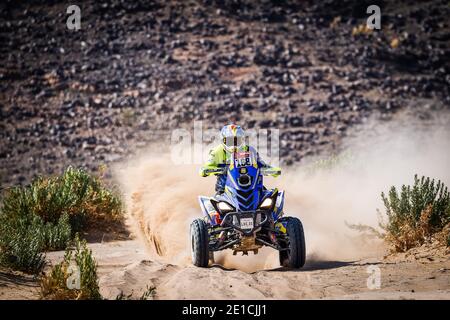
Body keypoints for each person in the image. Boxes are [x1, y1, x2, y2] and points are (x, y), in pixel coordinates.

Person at [199, 124, 280, 194]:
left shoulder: (250, 150)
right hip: (225, 189)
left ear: (242, 140)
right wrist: (210, 170)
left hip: (252, 187)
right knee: (213, 205)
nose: (233, 145)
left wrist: (273, 170)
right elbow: (204, 169)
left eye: (237, 141)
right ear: (223, 140)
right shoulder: (217, 151)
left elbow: (262, 165)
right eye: (229, 141)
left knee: (270, 196)